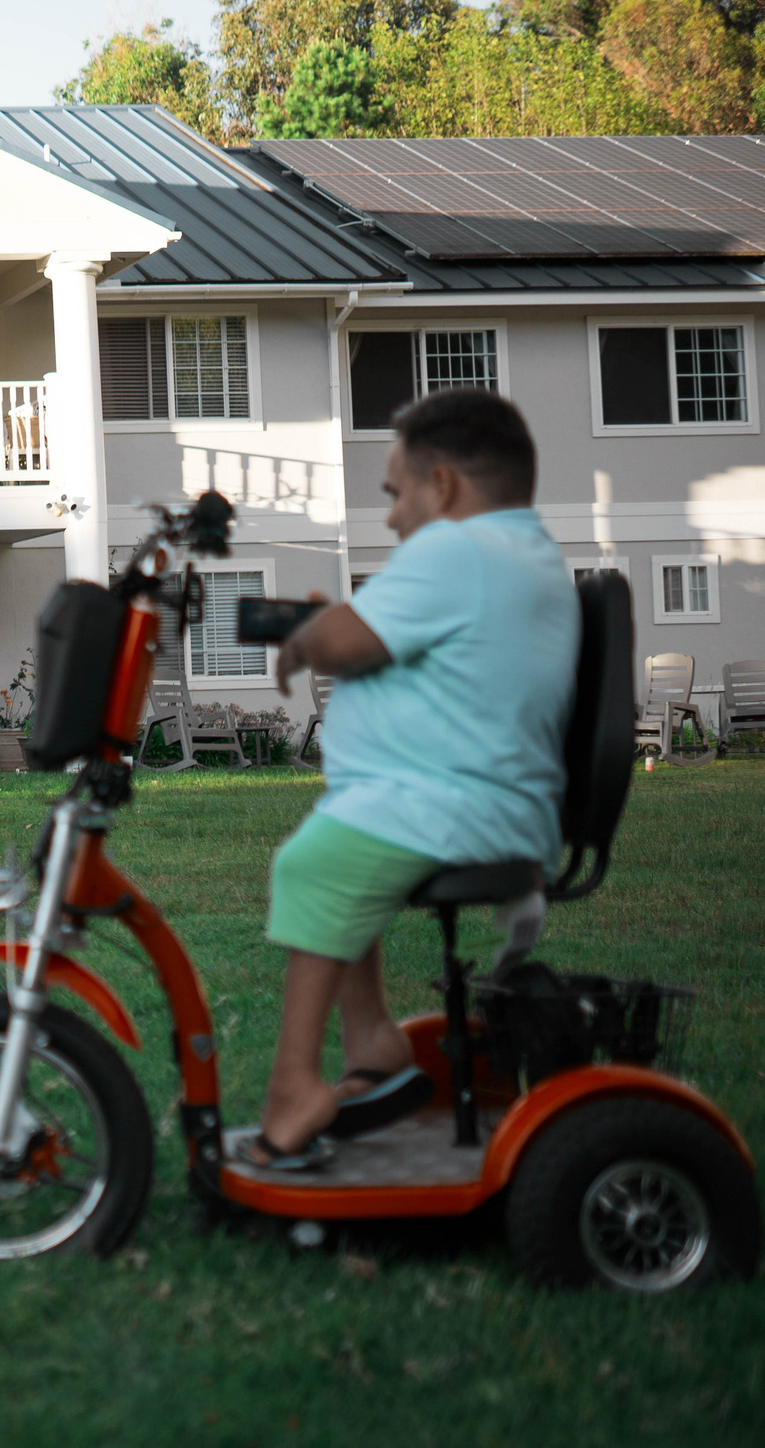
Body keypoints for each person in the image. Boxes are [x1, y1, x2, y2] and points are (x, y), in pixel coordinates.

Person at [246, 388, 576, 1171]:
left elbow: (351, 640)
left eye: (395, 494)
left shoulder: (457, 550)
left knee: (313, 863)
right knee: (343, 846)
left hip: (459, 803)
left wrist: (308, 632)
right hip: (480, 798)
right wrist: (331, 627)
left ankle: (295, 1085)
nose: (392, 517)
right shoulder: (521, 550)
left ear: (444, 486)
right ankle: (373, 1039)